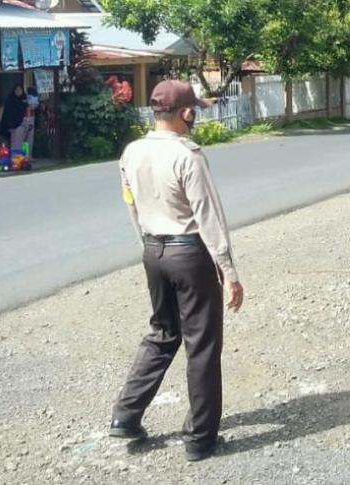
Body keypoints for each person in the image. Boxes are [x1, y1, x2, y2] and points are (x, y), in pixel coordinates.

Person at [109, 80, 244, 462]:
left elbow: (131, 205)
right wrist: (228, 271)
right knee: (201, 344)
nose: (195, 116)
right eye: (194, 111)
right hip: (189, 253)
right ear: (185, 113)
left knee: (163, 332)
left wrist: (149, 248)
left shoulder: (131, 152)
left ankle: (125, 414)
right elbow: (208, 215)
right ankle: (201, 439)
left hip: (154, 249)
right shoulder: (188, 155)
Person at [0, 84, 26, 149]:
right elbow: (8, 115)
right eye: (16, 90)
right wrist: (10, 126)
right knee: (9, 146)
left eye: (20, 90)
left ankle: (22, 157)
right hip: (9, 128)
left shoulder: (24, 100)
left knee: (23, 144)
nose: (18, 91)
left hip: (22, 127)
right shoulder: (10, 100)